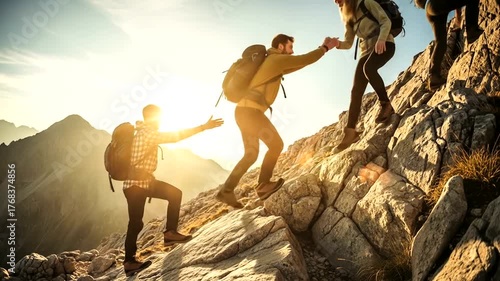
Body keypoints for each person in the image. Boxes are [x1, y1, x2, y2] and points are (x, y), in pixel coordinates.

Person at [216, 34, 339, 208]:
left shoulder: (273, 62)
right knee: (276, 145)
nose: (292, 51)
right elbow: (305, 59)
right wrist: (326, 47)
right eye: (290, 47)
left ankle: (226, 191)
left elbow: (300, 63)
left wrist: (321, 47)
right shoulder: (275, 60)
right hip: (250, 113)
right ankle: (263, 185)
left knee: (251, 154)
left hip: (244, 112)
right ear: (281, 47)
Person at [122, 104, 223, 276]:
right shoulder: (148, 133)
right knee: (137, 222)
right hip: (136, 185)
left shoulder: (140, 131)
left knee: (173, 195)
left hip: (141, 182)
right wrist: (203, 127)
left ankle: (169, 234)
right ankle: (130, 261)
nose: (160, 121)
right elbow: (175, 137)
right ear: (153, 117)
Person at [333, 0, 396, 152]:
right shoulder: (348, 17)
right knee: (356, 90)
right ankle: (350, 133)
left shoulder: (366, 2)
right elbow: (348, 43)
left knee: (369, 68)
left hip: (385, 43)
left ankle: (386, 105)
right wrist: (335, 44)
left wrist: (381, 39)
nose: (336, 2)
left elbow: (385, 21)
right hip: (365, 51)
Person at [415, 0, 483, 90]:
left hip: (430, 11)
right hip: (434, 4)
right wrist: (458, 18)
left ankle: (433, 77)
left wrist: (458, 17)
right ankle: (472, 31)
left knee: (441, 43)